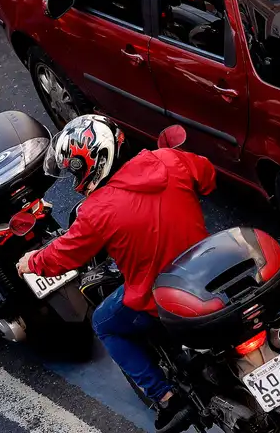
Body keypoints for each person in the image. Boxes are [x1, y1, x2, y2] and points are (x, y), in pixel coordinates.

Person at [16, 117, 214, 431]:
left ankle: (165, 398)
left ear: (92, 164)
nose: (74, 178)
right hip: (210, 272)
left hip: (160, 297)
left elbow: (65, 254)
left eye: (75, 170)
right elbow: (208, 177)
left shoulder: (97, 211)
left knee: (105, 323)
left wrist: (32, 261)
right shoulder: (169, 159)